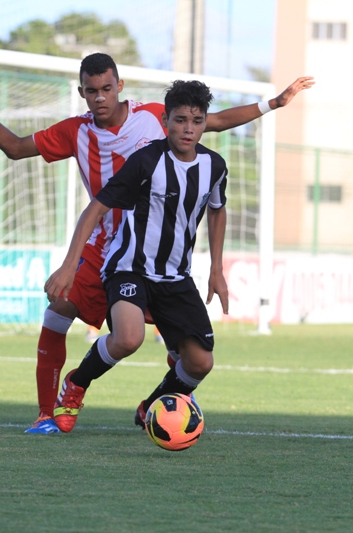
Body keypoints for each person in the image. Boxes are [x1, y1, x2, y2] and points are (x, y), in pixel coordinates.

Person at [0, 53, 314, 434]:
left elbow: (217, 121)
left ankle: (167, 398)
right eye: (92, 91)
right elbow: (16, 148)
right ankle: (49, 412)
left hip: (164, 256)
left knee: (190, 352)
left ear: (120, 86)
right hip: (107, 247)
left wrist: (273, 104)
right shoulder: (77, 132)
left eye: (106, 88)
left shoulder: (156, 118)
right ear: (82, 92)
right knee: (61, 311)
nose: (100, 97)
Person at [45, 79, 228, 433]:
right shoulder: (146, 161)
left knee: (200, 363)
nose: (188, 129)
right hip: (129, 267)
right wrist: (69, 266)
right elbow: (96, 207)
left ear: (205, 123)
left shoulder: (214, 167)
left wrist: (216, 269)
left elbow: (217, 210)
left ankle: (152, 406)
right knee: (129, 338)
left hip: (175, 276)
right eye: (180, 120)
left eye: (197, 121)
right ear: (165, 121)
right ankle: (76, 384)